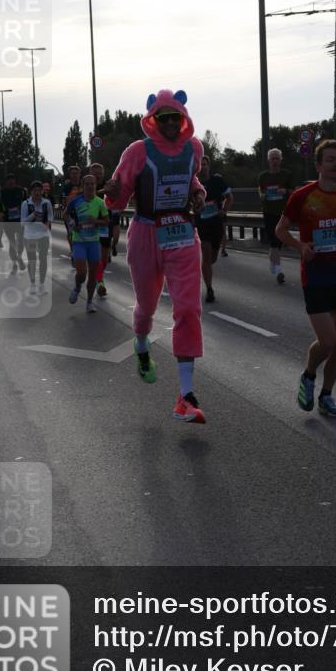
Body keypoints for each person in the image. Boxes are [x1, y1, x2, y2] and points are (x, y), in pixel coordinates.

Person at [104, 89, 207, 424]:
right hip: (146, 233)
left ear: (184, 118)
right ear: (152, 120)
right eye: (164, 119)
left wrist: (199, 194)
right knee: (147, 306)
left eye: (175, 117)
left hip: (181, 232)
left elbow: (192, 181)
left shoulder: (194, 148)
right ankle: (141, 343)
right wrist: (113, 194)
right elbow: (117, 201)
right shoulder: (138, 152)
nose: (171, 124)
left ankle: (185, 396)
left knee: (189, 308)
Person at [275, 139, 336, 419]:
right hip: (315, 275)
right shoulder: (303, 196)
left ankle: (327, 396)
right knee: (327, 340)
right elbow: (281, 230)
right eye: (331, 160)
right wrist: (300, 247)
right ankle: (308, 374)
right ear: (319, 165)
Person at [65, 173, 109, 312]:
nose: (90, 186)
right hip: (79, 241)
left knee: (93, 275)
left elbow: (107, 221)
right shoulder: (76, 201)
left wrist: (95, 221)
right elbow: (65, 214)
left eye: (92, 184)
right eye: (87, 184)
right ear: (83, 186)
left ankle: (89, 302)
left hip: (94, 243)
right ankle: (77, 287)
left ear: (96, 186)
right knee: (82, 273)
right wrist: (72, 225)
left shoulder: (100, 202)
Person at [196, 155, 233, 303]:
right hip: (202, 224)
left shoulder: (217, 181)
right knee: (206, 256)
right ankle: (209, 289)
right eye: (200, 164)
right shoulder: (194, 184)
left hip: (216, 223)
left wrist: (223, 211)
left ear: (208, 166)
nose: (203, 167)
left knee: (212, 258)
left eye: (205, 164)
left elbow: (230, 197)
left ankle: (206, 269)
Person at [258, 148, 293, 284]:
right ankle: (278, 270)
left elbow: (294, 191)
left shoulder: (287, 175)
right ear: (268, 161)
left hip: (284, 212)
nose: (275, 161)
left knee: (278, 242)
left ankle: (274, 263)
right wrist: (262, 195)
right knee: (274, 241)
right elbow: (260, 192)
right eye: (272, 158)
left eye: (277, 158)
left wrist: (285, 190)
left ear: (281, 160)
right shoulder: (263, 176)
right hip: (269, 212)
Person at [22, 180, 53, 294]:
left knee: (43, 259)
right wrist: (32, 215)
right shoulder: (26, 204)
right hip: (29, 236)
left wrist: (47, 225)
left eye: (39, 190)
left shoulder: (47, 203)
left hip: (43, 235)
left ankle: (42, 284)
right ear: (31, 192)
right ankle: (32, 284)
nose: (37, 193)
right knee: (32, 260)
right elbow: (22, 222)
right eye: (35, 191)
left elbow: (50, 217)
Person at [88, 162, 112, 297]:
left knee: (103, 258)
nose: (97, 177)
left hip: (104, 224)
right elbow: (89, 195)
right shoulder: (87, 185)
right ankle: (100, 282)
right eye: (95, 174)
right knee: (95, 257)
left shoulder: (108, 185)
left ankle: (99, 278)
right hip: (90, 226)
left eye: (100, 174)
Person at [0, 174, 27, 273]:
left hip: (20, 221)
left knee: (21, 243)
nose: (11, 182)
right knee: (12, 244)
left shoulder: (21, 191)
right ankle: (15, 264)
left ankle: (19, 257)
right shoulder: (2, 192)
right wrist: (1, 214)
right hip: (8, 222)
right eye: (9, 180)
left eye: (12, 180)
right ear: (6, 182)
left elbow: (26, 204)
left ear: (15, 181)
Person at [61, 166, 82, 265]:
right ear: (70, 175)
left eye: (76, 173)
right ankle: (73, 252)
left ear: (79, 174)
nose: (75, 175)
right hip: (70, 214)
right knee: (71, 234)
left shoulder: (83, 184)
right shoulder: (66, 187)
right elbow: (64, 200)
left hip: (82, 213)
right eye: (73, 173)